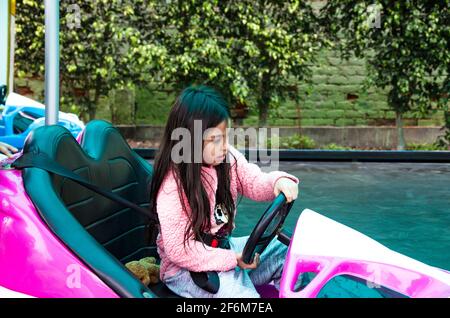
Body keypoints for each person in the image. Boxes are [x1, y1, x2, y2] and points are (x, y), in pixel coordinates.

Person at [149, 85, 299, 298]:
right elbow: (178, 250)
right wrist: (231, 259)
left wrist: (277, 181)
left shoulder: (227, 159)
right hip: (186, 269)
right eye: (215, 140)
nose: (224, 146)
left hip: (225, 249)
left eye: (226, 136)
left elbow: (253, 180)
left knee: (289, 252)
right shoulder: (173, 184)